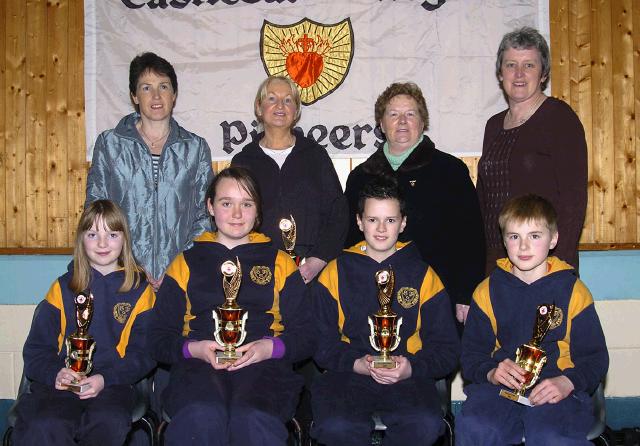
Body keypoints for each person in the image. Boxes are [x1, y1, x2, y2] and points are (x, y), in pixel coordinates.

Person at [147, 167, 313, 445]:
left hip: (265, 369)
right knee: (202, 415)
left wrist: (271, 348)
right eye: (226, 203)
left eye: (246, 204)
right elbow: (157, 338)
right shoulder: (184, 263)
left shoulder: (281, 263)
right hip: (198, 370)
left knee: (251, 416)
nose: (237, 214)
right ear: (210, 207)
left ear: (258, 210)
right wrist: (194, 349)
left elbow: (308, 334)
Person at [311, 177, 460, 445]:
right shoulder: (334, 272)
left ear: (403, 223)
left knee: (425, 424)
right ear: (359, 221)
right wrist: (357, 364)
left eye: (390, 220)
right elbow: (322, 345)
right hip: (349, 375)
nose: (381, 229)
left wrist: (411, 367)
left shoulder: (424, 275)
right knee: (336, 426)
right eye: (372, 220)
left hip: (408, 377)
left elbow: (447, 350)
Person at [455, 194, 608, 445]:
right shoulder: (486, 291)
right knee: (476, 428)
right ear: (504, 241)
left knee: (551, 436)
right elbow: (471, 356)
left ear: (553, 239)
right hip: (499, 391)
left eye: (534, 236)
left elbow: (596, 358)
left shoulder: (574, 291)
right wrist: (492, 372)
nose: (523, 247)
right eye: (514, 237)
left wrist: (567, 381)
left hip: (556, 390)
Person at [12, 200, 156, 445]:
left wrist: (105, 379)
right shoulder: (62, 288)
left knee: (107, 421)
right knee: (45, 423)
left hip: (113, 385)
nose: (102, 243)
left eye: (112, 234)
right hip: (62, 384)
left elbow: (145, 354)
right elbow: (36, 351)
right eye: (92, 234)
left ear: (124, 240)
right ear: (81, 240)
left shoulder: (141, 291)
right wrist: (56, 374)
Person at [344, 82, 485, 325]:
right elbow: (348, 239)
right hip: (373, 296)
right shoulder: (361, 176)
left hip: (438, 295)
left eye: (410, 114)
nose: (402, 121)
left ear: (422, 123)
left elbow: (471, 237)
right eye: (393, 114)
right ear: (381, 124)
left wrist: (466, 293)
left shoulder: (450, 171)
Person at [86, 52, 214, 291]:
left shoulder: (195, 148)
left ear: (174, 95)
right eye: (146, 88)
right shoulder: (110, 144)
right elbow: (96, 210)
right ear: (134, 96)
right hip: (121, 276)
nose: (156, 96)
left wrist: (177, 267)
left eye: (163, 86)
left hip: (181, 278)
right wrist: (128, 265)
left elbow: (205, 216)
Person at [477, 26, 587, 274]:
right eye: (510, 64)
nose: (519, 73)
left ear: (544, 73)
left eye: (529, 65)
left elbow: (574, 200)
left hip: (543, 261)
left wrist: (558, 266)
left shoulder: (559, 117)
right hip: (497, 262)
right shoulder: (493, 126)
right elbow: (483, 199)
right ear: (500, 73)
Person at [231, 75, 348, 284]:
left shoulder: (316, 156)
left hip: (313, 272)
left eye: (288, 100)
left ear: (296, 111)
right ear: (259, 108)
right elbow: (233, 219)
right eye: (272, 99)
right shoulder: (243, 161)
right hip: (257, 270)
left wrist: (317, 261)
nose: (280, 106)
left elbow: (338, 214)